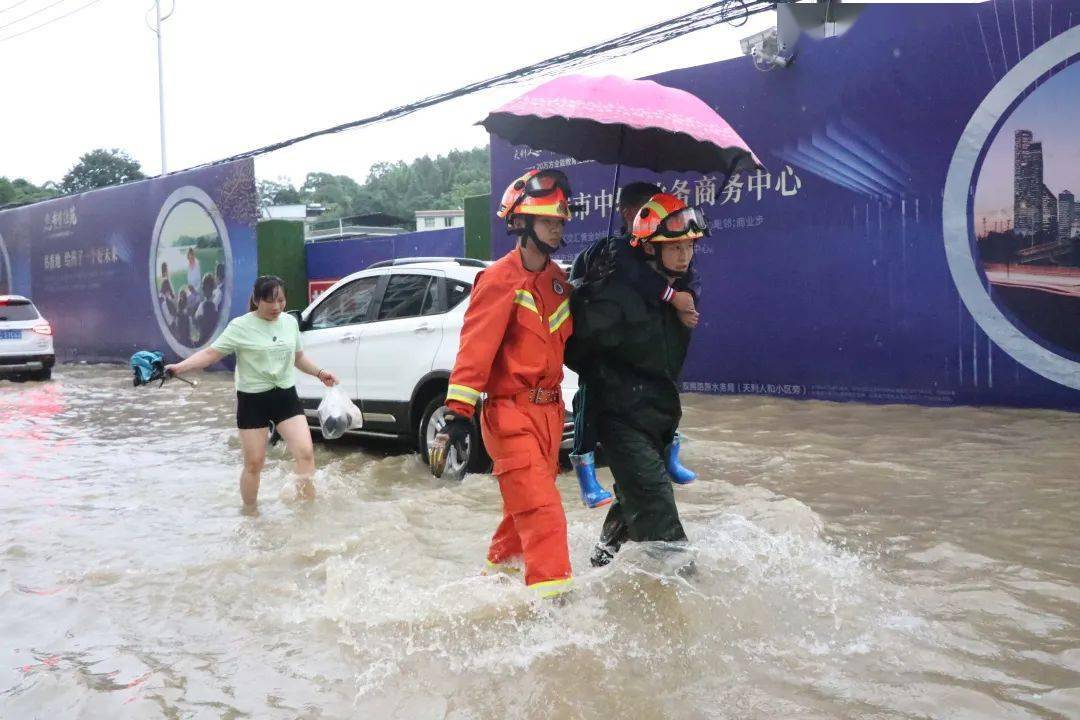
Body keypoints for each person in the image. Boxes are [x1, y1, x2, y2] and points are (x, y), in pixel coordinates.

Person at [430, 169, 577, 600]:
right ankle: (557, 618)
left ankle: (494, 587)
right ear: (521, 223)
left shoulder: (560, 283)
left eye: (560, 220)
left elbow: (577, 346)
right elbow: (474, 352)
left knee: (521, 514)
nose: (556, 226)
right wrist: (457, 415)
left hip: (550, 414)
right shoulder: (497, 280)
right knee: (544, 514)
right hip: (510, 415)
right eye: (547, 219)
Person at [565, 193, 708, 568]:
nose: (683, 255)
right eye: (673, 247)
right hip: (619, 417)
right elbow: (577, 353)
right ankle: (685, 601)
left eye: (688, 246)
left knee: (634, 499)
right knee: (657, 508)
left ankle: (599, 566)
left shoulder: (682, 295)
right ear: (647, 247)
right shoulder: (613, 294)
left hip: (659, 415)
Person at [165, 275, 338, 506]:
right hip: (252, 401)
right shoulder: (240, 326)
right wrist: (179, 368)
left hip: (285, 397)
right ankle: (250, 514)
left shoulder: (289, 322)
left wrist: (319, 373)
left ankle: (307, 512)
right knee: (254, 464)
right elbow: (210, 354)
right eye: (269, 301)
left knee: (306, 454)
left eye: (281, 300)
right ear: (256, 300)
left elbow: (298, 358)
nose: (276, 307)